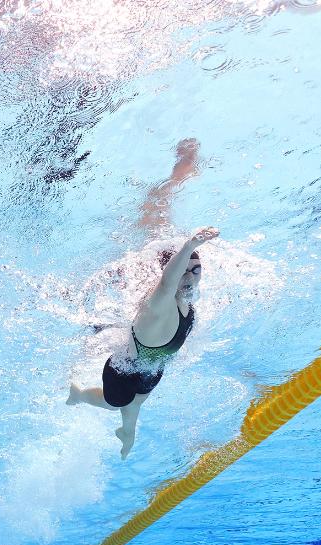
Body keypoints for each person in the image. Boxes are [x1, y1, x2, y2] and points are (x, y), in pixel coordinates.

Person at [67, 139, 217, 458]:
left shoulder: (187, 299)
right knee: (117, 403)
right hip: (124, 366)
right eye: (185, 271)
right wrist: (189, 246)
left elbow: (175, 279)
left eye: (197, 269)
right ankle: (79, 394)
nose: (192, 276)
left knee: (137, 405)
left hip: (153, 364)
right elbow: (165, 285)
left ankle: (128, 431)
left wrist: (190, 255)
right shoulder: (160, 304)